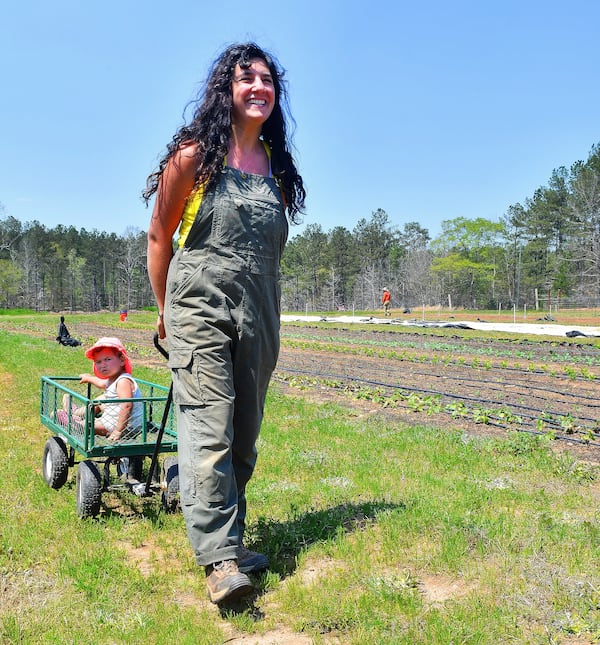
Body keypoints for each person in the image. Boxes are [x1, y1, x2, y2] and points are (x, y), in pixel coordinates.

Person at [144, 42, 305, 603]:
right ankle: (218, 562)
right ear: (226, 90)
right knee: (208, 429)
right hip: (198, 304)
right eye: (247, 79)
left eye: (268, 79)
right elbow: (161, 236)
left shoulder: (276, 170)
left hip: (259, 309)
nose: (259, 87)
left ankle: (229, 538)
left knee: (243, 436)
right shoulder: (194, 156)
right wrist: (166, 309)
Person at [60, 337, 143, 443]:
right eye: (98, 362)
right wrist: (88, 378)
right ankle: (76, 413)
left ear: (122, 360)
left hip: (124, 427)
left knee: (87, 425)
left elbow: (127, 405)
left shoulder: (123, 382)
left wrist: (118, 431)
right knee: (101, 399)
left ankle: (75, 424)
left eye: (108, 359)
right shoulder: (114, 379)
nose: (103, 364)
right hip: (121, 422)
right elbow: (101, 383)